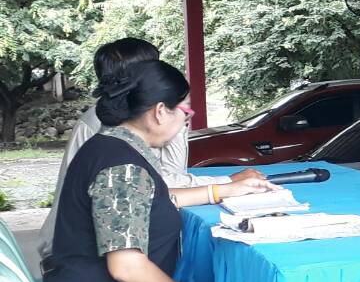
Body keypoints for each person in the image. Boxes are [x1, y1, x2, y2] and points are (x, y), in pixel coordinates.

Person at [41, 60, 277, 282]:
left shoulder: (110, 147)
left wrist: (223, 190)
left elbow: (153, 201)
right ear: (160, 111)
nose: (187, 119)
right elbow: (128, 269)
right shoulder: (122, 168)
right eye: (186, 110)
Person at [39, 37, 265, 262]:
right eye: (156, 67)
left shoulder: (133, 130)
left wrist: (176, 119)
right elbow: (127, 265)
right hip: (77, 254)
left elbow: (157, 189)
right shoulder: (112, 144)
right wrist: (226, 184)